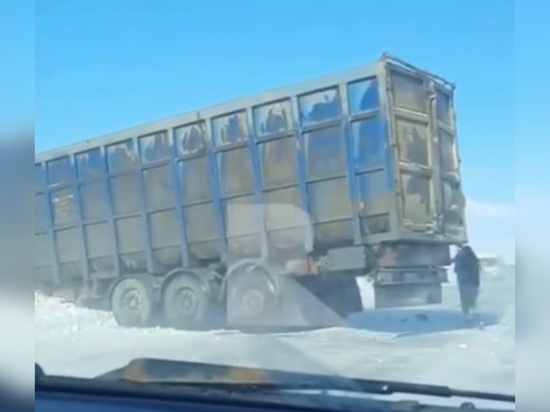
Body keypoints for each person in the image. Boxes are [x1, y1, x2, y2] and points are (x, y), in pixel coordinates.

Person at [453, 245, 481, 320]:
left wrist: (457, 257)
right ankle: (473, 311)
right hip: (474, 282)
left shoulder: (461, 258)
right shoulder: (474, 258)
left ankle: (466, 313)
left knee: (464, 298)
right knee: (473, 298)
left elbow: (456, 270)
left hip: (464, 282)